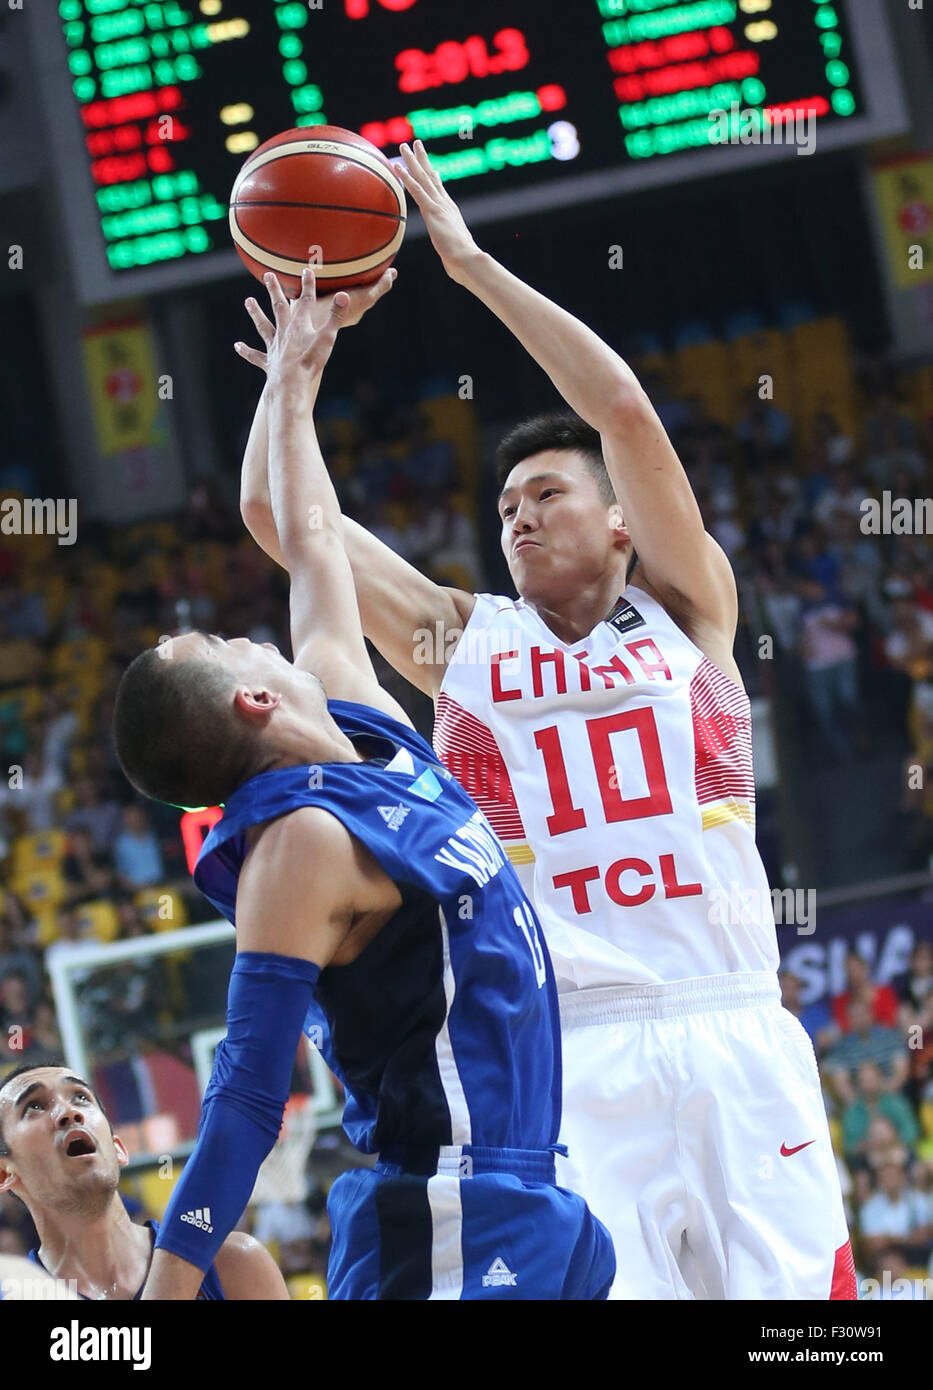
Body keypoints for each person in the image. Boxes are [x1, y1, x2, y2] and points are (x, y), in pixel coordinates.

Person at [238, 141, 854, 1299]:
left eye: (548, 495)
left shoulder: (687, 608)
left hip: (731, 1020)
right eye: (505, 505)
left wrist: (465, 264)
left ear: (623, 523)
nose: (518, 517)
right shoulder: (458, 639)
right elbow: (280, 515)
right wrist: (292, 378)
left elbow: (619, 404)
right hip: (568, 1047)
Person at [112, 267, 613, 1302]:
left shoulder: (360, 722)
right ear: (252, 700)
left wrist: (295, 374)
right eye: (217, 639)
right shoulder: (293, 849)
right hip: (441, 1207)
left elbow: (308, 537)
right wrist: (163, 1295)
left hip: (542, 1197)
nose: (242, 627)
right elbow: (248, 1097)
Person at [0, 1061, 286, 1300]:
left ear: (118, 1149)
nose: (69, 1112)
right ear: (4, 1173)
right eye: (34, 1106)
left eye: (81, 1097)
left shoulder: (232, 1263)